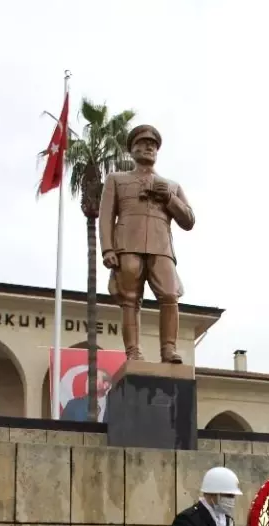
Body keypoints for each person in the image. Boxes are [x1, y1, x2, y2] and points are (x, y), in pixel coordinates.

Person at [99, 124, 195, 364]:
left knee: (170, 295)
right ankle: (133, 352)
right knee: (130, 299)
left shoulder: (171, 185)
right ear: (132, 150)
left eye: (152, 145)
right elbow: (106, 216)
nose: (148, 148)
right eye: (142, 144)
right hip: (127, 245)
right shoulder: (116, 179)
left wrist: (169, 199)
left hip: (161, 247)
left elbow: (189, 220)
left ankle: (169, 350)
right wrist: (108, 249)